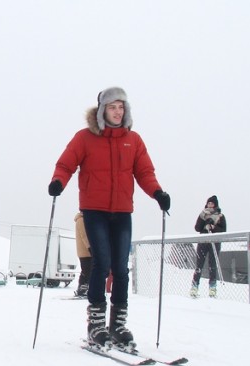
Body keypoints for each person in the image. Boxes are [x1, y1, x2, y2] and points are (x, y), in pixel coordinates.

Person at [48, 86, 170, 350]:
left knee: (121, 269)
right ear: (103, 110)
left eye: (121, 107)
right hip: (95, 210)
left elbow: (145, 171)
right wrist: (58, 182)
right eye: (112, 107)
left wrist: (157, 193)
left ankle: (117, 325)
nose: (117, 111)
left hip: (122, 211)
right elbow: (66, 164)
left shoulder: (133, 140)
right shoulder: (85, 138)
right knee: (101, 264)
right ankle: (96, 326)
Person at [190, 195, 227, 298]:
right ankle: (194, 286)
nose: (210, 205)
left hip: (214, 243)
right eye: (209, 203)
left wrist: (213, 227)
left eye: (212, 203)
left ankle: (212, 288)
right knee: (199, 265)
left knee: (212, 266)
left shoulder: (220, 216)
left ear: (215, 204)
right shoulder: (203, 214)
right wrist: (204, 221)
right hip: (203, 242)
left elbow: (223, 230)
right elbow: (197, 228)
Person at [74, 212, 92, 297]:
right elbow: (84, 235)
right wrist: (89, 247)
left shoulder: (85, 219)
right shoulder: (81, 220)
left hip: (87, 251)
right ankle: (82, 288)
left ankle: (85, 287)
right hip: (85, 251)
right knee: (86, 270)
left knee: (88, 270)